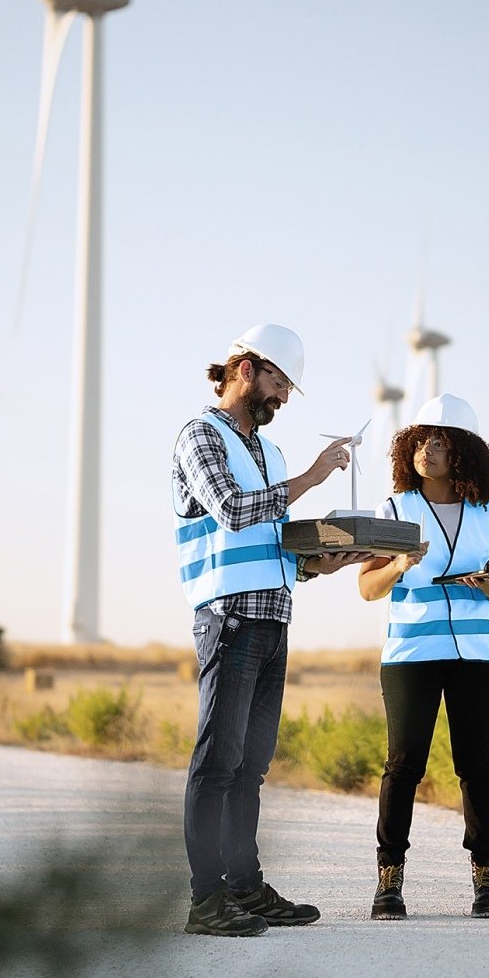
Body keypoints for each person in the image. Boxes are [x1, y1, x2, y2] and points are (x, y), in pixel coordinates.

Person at [171, 323, 372, 937]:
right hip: (227, 620)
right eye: (281, 382)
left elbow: (272, 545)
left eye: (288, 387)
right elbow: (232, 511)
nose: (284, 397)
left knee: (251, 765)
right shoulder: (200, 436)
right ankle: (207, 902)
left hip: (273, 620)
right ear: (246, 369)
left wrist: (317, 564)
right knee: (217, 762)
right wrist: (312, 479)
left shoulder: (271, 453)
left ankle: (245, 888)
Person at [357, 394, 489, 920]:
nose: (428, 448)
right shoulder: (394, 510)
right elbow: (368, 588)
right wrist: (400, 563)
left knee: (476, 767)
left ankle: (487, 882)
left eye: (441, 441)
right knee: (403, 766)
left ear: (463, 452)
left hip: (476, 654)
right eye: (422, 439)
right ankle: (389, 883)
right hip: (410, 655)